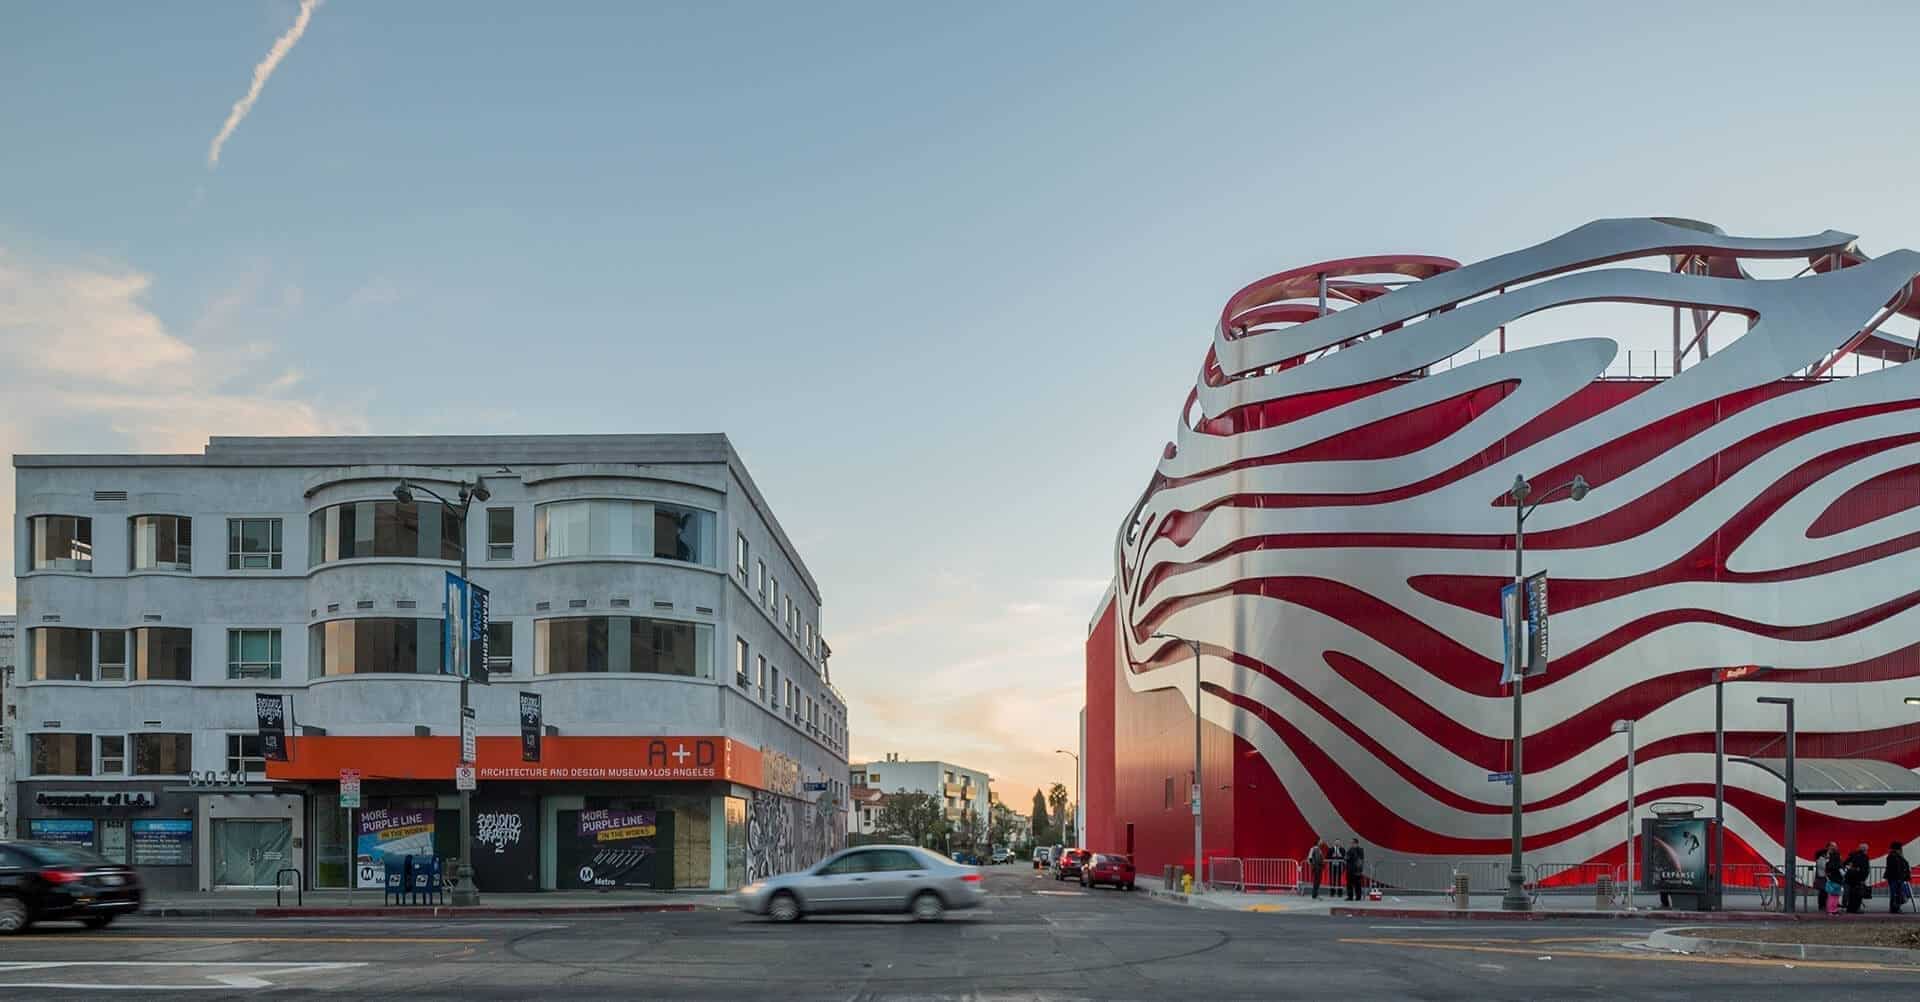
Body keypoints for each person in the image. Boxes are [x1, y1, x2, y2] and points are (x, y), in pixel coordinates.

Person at [1844, 841, 1871, 914]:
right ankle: (1856, 908)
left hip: (1850, 877)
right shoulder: (1865, 857)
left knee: (1852, 894)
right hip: (1858, 878)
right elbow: (1865, 869)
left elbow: (1845, 863)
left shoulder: (1853, 854)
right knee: (1858, 894)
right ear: (1865, 849)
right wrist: (1863, 878)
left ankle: (1850, 908)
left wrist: (1850, 868)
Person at [1814, 842, 1839, 914]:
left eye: (1835, 846)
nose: (1834, 848)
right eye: (1833, 846)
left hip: (1830, 876)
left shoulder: (1835, 855)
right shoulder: (1822, 855)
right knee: (1823, 891)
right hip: (1823, 876)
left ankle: (1830, 906)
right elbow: (1823, 866)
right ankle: (1822, 906)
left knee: (1830, 892)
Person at [1887, 841, 1911, 914]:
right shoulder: (1892, 857)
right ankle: (1894, 908)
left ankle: (1895, 908)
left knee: (1897, 893)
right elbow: (1895, 868)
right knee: (1895, 893)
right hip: (1895, 878)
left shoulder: (1896, 856)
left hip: (1898, 878)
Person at [1823, 841, 1846, 916]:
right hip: (1835, 877)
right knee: (1833, 894)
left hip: (1834, 877)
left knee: (1834, 894)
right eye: (1833, 846)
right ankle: (1831, 910)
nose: (1835, 847)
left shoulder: (1829, 856)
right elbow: (1834, 866)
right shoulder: (1832, 856)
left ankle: (1833, 910)